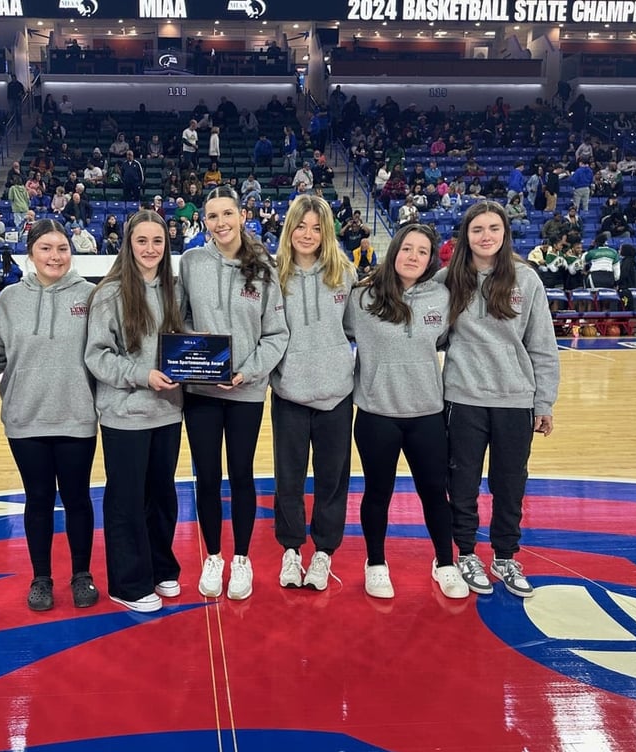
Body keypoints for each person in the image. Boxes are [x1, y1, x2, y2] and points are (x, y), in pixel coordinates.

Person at [343, 223, 468, 600]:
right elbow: (340, 334)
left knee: (433, 491)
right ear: (395, 250)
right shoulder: (362, 297)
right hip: (376, 413)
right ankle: (376, 562)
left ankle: (445, 561)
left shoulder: (441, 298)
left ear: (431, 259)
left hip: (426, 413)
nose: (413, 257)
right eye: (407, 248)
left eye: (422, 251)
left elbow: (446, 339)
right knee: (377, 492)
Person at [442, 201, 560, 598]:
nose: (486, 236)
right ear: (466, 235)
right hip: (463, 396)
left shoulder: (526, 280)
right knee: (463, 482)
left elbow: (543, 346)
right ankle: (466, 553)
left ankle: (505, 555)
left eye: (494, 228)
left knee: (510, 484)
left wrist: (543, 402)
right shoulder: (448, 279)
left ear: (505, 233)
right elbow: (432, 334)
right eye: (478, 229)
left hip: (515, 399)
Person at [177, 186, 289, 600]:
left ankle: (241, 558)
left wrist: (247, 371)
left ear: (243, 215)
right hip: (202, 391)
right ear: (204, 221)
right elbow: (179, 318)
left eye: (228, 213)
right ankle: (214, 556)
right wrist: (198, 351)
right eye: (212, 216)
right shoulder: (191, 262)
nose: (221, 222)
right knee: (207, 477)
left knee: (241, 475)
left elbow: (277, 333)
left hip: (246, 391)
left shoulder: (264, 267)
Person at [0, 219, 99, 611]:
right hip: (25, 418)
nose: (56, 256)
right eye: (46, 248)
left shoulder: (91, 296)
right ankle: (41, 577)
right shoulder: (10, 299)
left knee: (77, 498)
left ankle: (82, 573)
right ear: (30, 253)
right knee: (37, 500)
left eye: (62, 248)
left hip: (76, 415)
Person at [85, 210, 185, 613]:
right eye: (141, 241)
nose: (150, 248)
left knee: (161, 496)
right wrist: (143, 375)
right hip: (124, 413)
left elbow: (187, 345)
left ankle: (161, 567)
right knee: (127, 499)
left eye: (157, 241)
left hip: (167, 412)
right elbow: (98, 356)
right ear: (127, 244)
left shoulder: (174, 291)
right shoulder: (109, 293)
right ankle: (128, 583)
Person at [270, 196, 356, 591]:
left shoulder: (346, 273)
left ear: (327, 232)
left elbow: (356, 330)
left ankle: (323, 552)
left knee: (332, 478)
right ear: (290, 229)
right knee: (288, 478)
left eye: (317, 227)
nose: (308, 235)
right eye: (301, 226)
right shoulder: (273, 276)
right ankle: (291, 550)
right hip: (289, 393)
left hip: (337, 394)